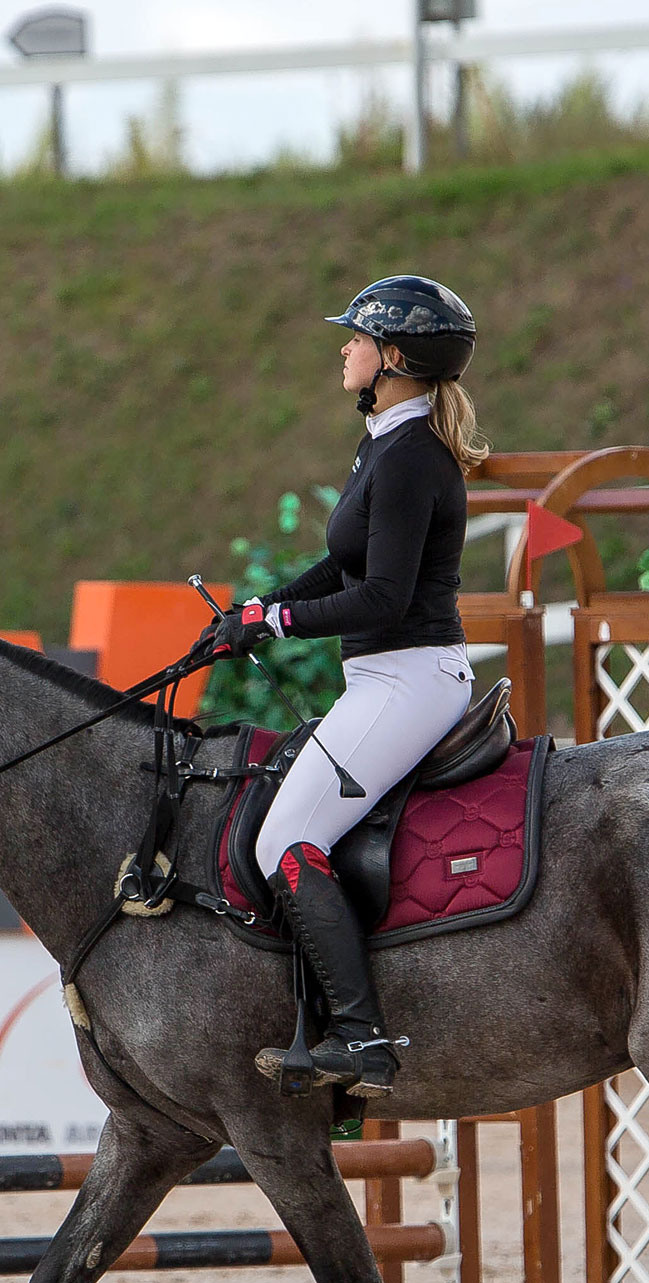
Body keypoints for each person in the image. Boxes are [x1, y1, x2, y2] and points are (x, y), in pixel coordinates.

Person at [202, 275, 491, 1097]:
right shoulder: (384, 442)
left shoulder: (410, 458)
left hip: (408, 677)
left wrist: (279, 624)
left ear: (392, 357)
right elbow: (342, 564)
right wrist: (257, 608)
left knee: (284, 841)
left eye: (357, 338)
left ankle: (363, 1038)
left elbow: (383, 599)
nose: (345, 347)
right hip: (384, 677)